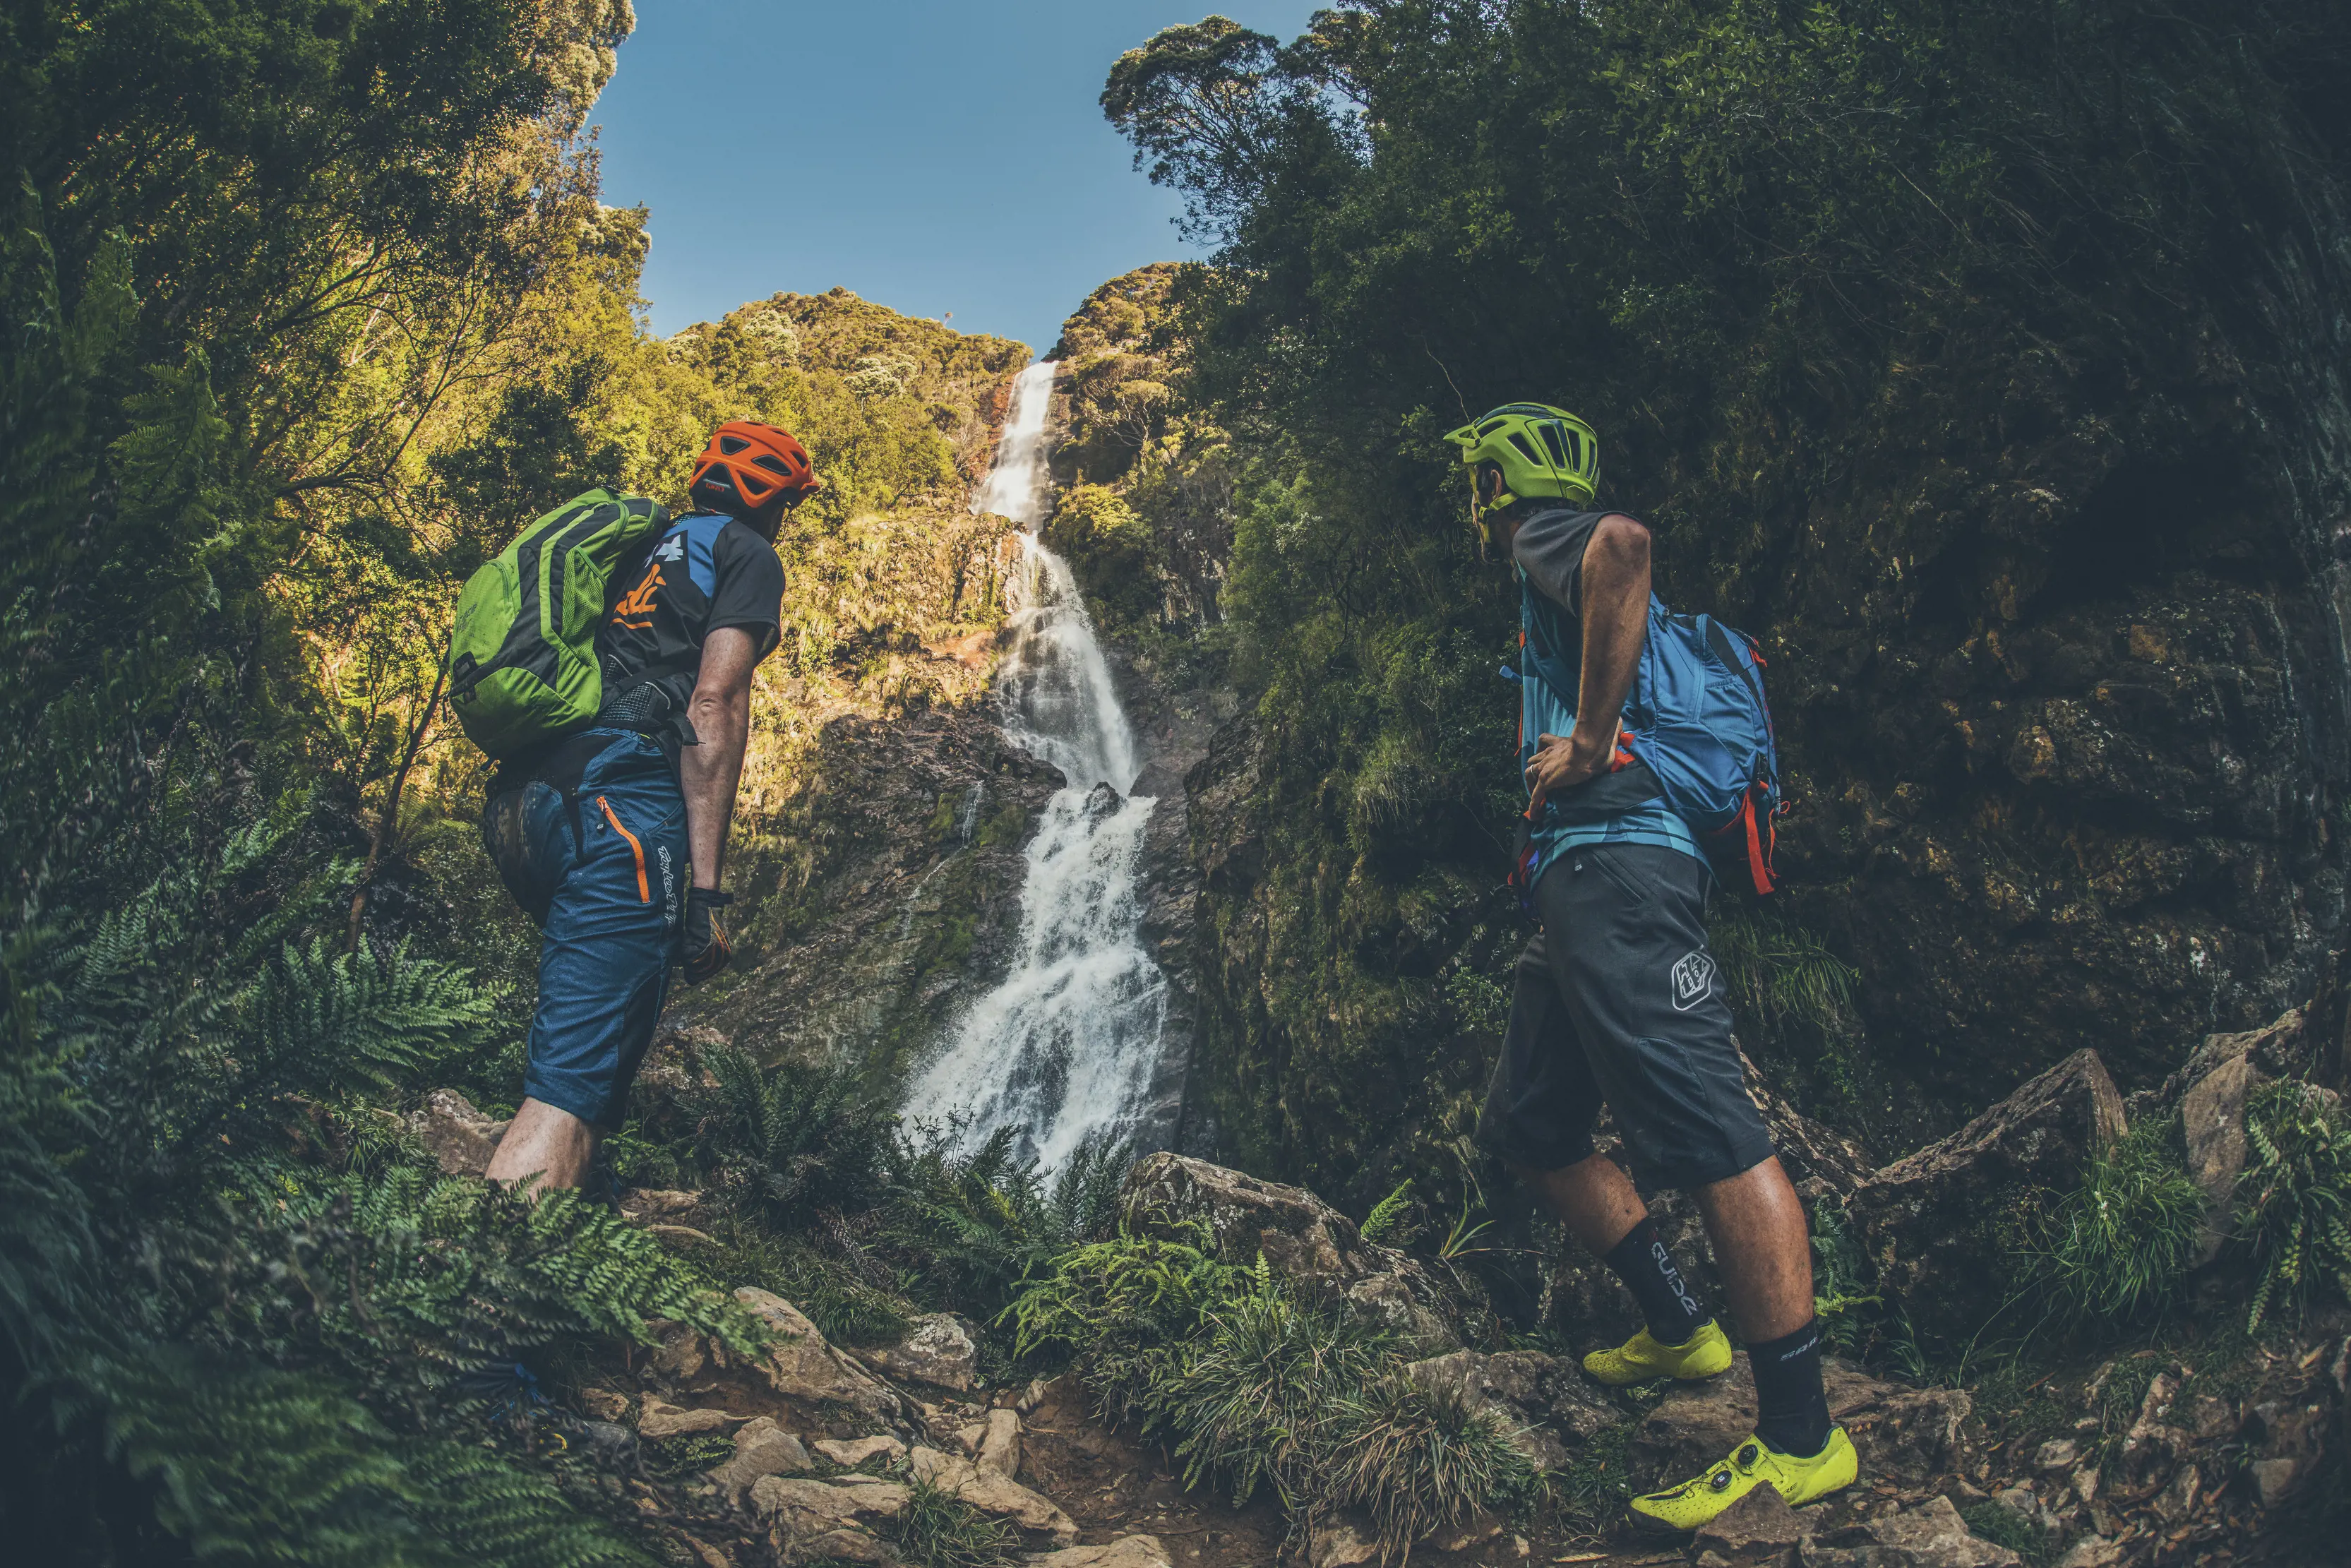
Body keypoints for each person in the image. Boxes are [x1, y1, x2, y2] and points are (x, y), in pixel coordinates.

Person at [1445, 403, 1857, 1530]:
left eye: (1478, 480)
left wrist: (1585, 742)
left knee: (1717, 1132)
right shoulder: (1561, 580)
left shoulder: (1550, 534)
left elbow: (1622, 544)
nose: (1475, 503)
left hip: (1619, 871)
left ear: (1508, 480)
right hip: (1578, 890)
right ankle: (1679, 1330)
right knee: (1533, 1128)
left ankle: (1798, 1440)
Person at [480, 420, 820, 1192]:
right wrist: (703, 893)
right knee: (568, 1085)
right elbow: (715, 700)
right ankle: (472, 1282)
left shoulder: (638, 545)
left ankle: (562, 1254)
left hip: (529, 801)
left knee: (607, 1047)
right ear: (776, 503)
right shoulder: (748, 553)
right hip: (624, 809)